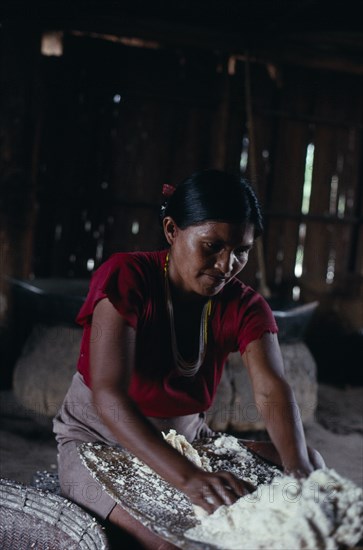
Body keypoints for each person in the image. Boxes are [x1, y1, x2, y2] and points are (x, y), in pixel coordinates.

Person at [53, 169, 324, 549]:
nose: (227, 265)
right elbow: (108, 396)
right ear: (171, 230)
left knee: (306, 460)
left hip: (188, 440)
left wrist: (298, 471)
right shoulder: (127, 277)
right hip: (100, 441)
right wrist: (189, 479)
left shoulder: (245, 305)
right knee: (173, 543)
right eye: (213, 246)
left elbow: (270, 389)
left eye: (241, 251)